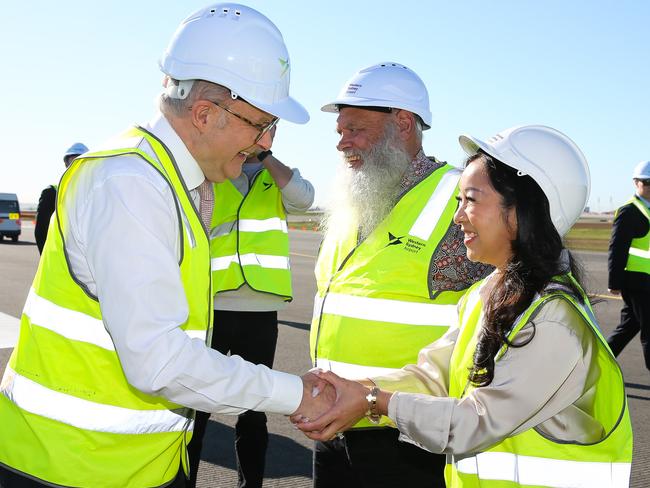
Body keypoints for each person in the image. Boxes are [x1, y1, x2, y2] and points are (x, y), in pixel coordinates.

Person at [0, 4, 334, 488]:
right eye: (260, 124)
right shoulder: (129, 183)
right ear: (204, 113)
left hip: (131, 465)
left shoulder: (178, 182)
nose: (264, 143)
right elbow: (159, 361)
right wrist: (298, 394)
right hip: (69, 466)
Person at [297, 125, 633, 488]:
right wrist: (354, 388)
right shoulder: (486, 294)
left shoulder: (555, 319)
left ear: (522, 209)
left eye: (470, 200)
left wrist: (374, 400)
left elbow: (475, 422)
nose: (457, 217)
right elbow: (433, 377)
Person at [309, 62, 492, 488]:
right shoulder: (349, 202)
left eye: (354, 129)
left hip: (405, 436)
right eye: (339, 131)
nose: (342, 143)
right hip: (334, 424)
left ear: (404, 123)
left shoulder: (457, 198)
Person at [187, 128, 315, 487]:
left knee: (254, 409)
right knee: (198, 406)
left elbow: (304, 200)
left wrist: (266, 159)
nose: (257, 139)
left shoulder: (278, 178)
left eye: (265, 135)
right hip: (215, 306)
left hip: (260, 311)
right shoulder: (212, 176)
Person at [607, 160, 650, 370]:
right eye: (647, 182)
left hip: (647, 280)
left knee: (629, 327)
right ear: (636, 183)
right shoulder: (629, 211)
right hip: (635, 280)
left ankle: (598, 362)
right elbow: (617, 248)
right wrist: (614, 281)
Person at [34, 142, 88, 254]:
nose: (76, 166)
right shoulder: (51, 192)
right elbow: (41, 232)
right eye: (73, 162)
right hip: (59, 258)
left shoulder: (90, 192)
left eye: (82, 162)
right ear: (66, 164)